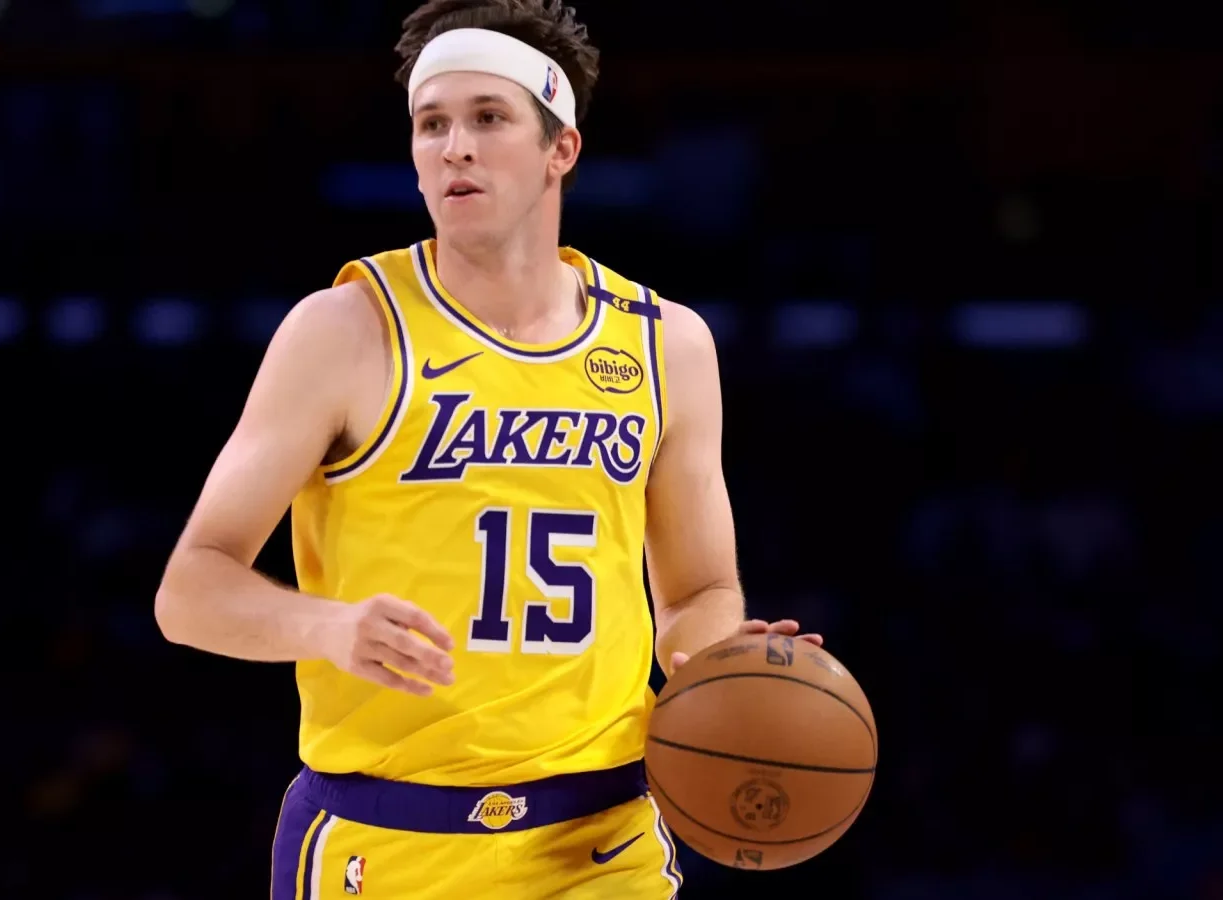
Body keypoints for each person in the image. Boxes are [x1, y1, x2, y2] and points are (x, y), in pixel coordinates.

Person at [155, 1, 823, 896]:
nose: (454, 148)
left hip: (602, 840)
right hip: (387, 840)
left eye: (488, 118)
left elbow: (698, 591)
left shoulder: (666, 345)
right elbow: (189, 592)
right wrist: (330, 627)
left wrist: (715, 664)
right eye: (432, 124)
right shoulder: (345, 330)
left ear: (561, 149)